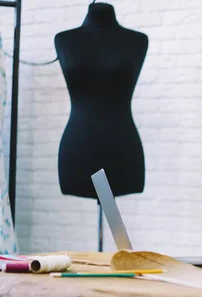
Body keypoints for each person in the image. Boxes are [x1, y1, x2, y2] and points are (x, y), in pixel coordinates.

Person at [55, 2, 148, 199]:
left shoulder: (137, 40)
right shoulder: (64, 40)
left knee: (110, 211)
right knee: (110, 212)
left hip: (121, 148)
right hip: (79, 146)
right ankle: (116, 230)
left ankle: (116, 230)